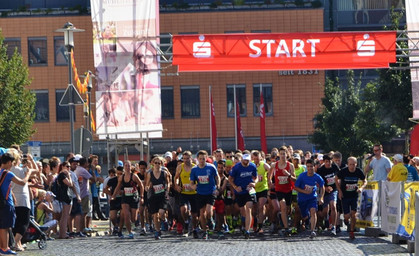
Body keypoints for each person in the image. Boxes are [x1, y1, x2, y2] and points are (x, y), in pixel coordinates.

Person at [0, 153, 30, 255]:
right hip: (6, 203)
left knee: (1, 226)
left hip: (1, 203)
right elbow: (22, 182)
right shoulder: (8, 174)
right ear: (9, 162)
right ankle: (5, 247)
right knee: (6, 226)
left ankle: (1, 246)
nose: (12, 165)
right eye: (12, 163)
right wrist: (28, 175)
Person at [9, 150, 36, 251]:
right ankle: (15, 243)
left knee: (16, 222)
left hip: (13, 197)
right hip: (22, 198)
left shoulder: (7, 170)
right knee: (24, 221)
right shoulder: (20, 170)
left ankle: (18, 243)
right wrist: (28, 171)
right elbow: (35, 171)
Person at [190, 150, 220, 240]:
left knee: (208, 211)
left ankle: (210, 219)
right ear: (197, 159)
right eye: (200, 159)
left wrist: (218, 186)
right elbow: (191, 182)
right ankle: (204, 231)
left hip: (210, 192)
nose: (202, 160)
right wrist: (193, 186)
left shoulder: (211, 167)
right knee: (202, 214)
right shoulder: (194, 169)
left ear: (206, 158)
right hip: (200, 193)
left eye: (203, 159)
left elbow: (217, 177)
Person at [111, 161, 144, 239]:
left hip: (133, 197)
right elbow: (118, 187)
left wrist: (141, 196)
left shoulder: (134, 176)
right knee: (126, 214)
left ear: (130, 167)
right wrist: (113, 196)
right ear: (124, 168)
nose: (127, 167)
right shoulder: (121, 177)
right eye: (125, 166)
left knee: (133, 218)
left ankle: (133, 221)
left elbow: (141, 185)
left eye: (128, 166)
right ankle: (130, 232)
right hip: (125, 197)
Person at [336, 157, 367, 239]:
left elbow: (365, 180)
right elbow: (336, 178)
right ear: (348, 164)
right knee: (346, 216)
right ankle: (346, 220)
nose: (352, 166)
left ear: (356, 164)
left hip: (354, 195)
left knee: (354, 214)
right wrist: (339, 190)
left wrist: (361, 188)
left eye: (353, 164)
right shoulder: (343, 171)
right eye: (350, 164)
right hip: (345, 196)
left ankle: (352, 231)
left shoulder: (358, 171)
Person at [268, 146, 296, 236]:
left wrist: (288, 175)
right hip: (279, 190)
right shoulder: (274, 165)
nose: (283, 155)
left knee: (288, 210)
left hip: (288, 190)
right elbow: (269, 175)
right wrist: (270, 182)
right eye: (281, 154)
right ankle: (286, 228)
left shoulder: (290, 165)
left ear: (287, 155)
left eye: (284, 154)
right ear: (279, 155)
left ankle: (282, 221)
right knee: (282, 206)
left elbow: (295, 179)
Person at [228, 153, 257, 239]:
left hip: (249, 190)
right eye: (244, 160)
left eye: (247, 160)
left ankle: (247, 231)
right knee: (243, 211)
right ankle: (243, 224)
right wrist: (235, 187)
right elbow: (230, 179)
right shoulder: (236, 167)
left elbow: (256, 177)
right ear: (241, 160)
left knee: (249, 208)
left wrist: (254, 183)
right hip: (240, 192)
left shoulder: (252, 166)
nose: (246, 161)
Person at [294, 159, 324, 239]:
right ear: (306, 167)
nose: (310, 168)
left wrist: (321, 197)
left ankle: (312, 230)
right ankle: (306, 220)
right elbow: (296, 187)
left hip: (312, 198)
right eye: (308, 166)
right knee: (304, 216)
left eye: (311, 166)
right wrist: (304, 191)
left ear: (315, 167)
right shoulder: (302, 176)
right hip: (302, 199)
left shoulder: (317, 177)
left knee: (313, 211)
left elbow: (322, 186)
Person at [145, 157, 170, 240]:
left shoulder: (164, 173)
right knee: (155, 215)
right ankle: (157, 231)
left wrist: (167, 191)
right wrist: (147, 188)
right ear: (153, 164)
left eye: (159, 163)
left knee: (161, 212)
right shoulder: (150, 174)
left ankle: (164, 219)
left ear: (161, 164)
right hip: (154, 196)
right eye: (156, 163)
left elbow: (168, 183)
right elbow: (147, 184)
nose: (157, 165)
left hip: (162, 196)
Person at [174, 151, 198, 237]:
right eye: (184, 158)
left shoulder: (195, 167)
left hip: (194, 193)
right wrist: (176, 185)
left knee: (194, 215)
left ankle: (194, 229)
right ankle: (186, 223)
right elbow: (176, 178)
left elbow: (199, 179)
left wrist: (196, 185)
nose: (186, 160)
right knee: (183, 209)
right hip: (184, 192)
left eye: (187, 158)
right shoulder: (180, 167)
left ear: (191, 158)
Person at [316, 154, 339, 235]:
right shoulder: (321, 170)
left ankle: (333, 226)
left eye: (329, 162)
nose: (328, 164)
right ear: (324, 162)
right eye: (326, 162)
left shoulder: (334, 167)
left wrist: (338, 184)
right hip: (324, 192)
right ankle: (319, 222)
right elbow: (318, 183)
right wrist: (325, 187)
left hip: (333, 190)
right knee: (324, 212)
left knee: (333, 206)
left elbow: (338, 176)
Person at [252, 150, 270, 235]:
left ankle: (260, 226)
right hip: (254, 189)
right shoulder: (251, 165)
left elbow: (271, 170)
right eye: (254, 159)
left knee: (261, 206)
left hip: (263, 188)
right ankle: (255, 222)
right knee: (254, 209)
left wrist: (269, 180)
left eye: (257, 159)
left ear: (261, 158)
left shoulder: (264, 165)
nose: (256, 160)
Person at [55, 162, 73, 239]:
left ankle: (63, 233)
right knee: (65, 216)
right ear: (62, 167)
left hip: (66, 196)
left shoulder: (62, 175)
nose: (68, 168)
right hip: (65, 197)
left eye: (69, 166)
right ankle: (63, 233)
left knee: (65, 216)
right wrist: (69, 176)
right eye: (67, 166)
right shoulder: (62, 175)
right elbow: (70, 184)